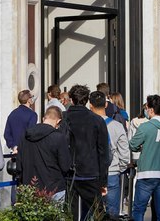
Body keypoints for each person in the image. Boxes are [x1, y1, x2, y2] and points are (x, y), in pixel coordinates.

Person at [62, 85, 110, 221]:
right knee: (99, 213)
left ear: (71, 99)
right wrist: (103, 181)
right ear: (87, 100)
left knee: (70, 215)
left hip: (69, 174)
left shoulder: (64, 118)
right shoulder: (97, 120)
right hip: (91, 173)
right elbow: (103, 152)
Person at [130, 95, 160, 221]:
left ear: (150, 110)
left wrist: (143, 148)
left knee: (139, 209)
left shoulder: (146, 127)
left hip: (147, 173)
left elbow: (133, 145)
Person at [17, 106, 71, 200]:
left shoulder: (25, 136)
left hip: (30, 188)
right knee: (55, 215)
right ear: (58, 121)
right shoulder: (58, 137)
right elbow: (65, 166)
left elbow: (19, 165)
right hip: (54, 188)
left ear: (43, 118)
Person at [90, 91, 128, 218]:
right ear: (106, 105)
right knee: (112, 213)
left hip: (92, 173)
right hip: (112, 171)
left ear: (90, 105)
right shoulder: (117, 126)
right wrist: (120, 168)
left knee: (93, 212)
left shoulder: (87, 125)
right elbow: (124, 153)